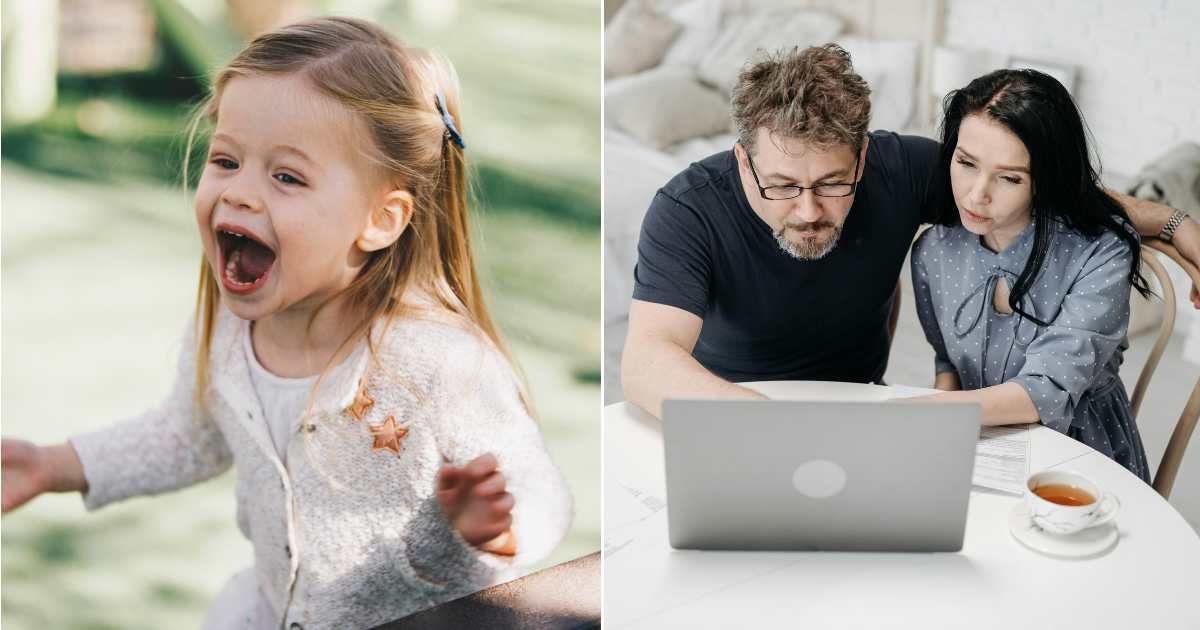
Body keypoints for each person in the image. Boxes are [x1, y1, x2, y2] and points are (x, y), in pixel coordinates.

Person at [0, 17, 572, 629]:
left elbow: (540, 490)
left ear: (381, 220)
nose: (240, 193)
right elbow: (188, 433)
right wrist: (53, 464)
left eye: (287, 177)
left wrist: (503, 528)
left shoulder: (437, 361)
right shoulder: (227, 325)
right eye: (226, 160)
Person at [621, 44, 1200, 420]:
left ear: (863, 157)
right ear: (743, 161)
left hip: (862, 405)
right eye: (782, 186)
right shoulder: (688, 209)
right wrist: (771, 425)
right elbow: (647, 360)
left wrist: (1174, 224)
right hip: (731, 410)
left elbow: (1049, 185)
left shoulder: (904, 170)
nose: (807, 210)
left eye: (831, 183)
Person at [909, 69, 1153, 479]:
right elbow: (948, 362)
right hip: (977, 441)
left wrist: (930, 412)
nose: (976, 194)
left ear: (1044, 179)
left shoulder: (1100, 252)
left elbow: (1048, 387)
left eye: (1008, 178)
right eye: (966, 163)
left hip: (1080, 453)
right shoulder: (934, 251)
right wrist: (940, 433)